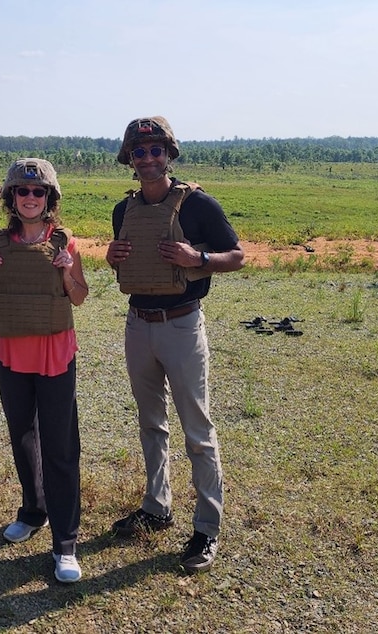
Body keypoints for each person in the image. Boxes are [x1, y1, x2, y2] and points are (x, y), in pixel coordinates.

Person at [105, 116, 244, 574]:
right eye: (139, 152)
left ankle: (206, 528)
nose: (148, 159)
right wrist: (112, 257)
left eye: (156, 150)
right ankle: (156, 506)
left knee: (197, 432)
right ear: (129, 159)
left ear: (170, 154)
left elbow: (237, 256)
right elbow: (127, 262)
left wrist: (198, 258)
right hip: (138, 324)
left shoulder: (198, 204)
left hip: (182, 325)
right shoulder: (123, 210)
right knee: (151, 424)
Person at [0, 158, 89, 584]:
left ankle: (65, 542)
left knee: (59, 444)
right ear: (11, 197)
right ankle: (33, 510)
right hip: (11, 347)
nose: (30, 198)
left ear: (49, 199)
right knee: (22, 433)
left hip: (54, 351)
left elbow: (78, 297)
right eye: (22, 192)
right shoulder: (1, 243)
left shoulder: (65, 242)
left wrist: (66, 272)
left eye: (38, 192)